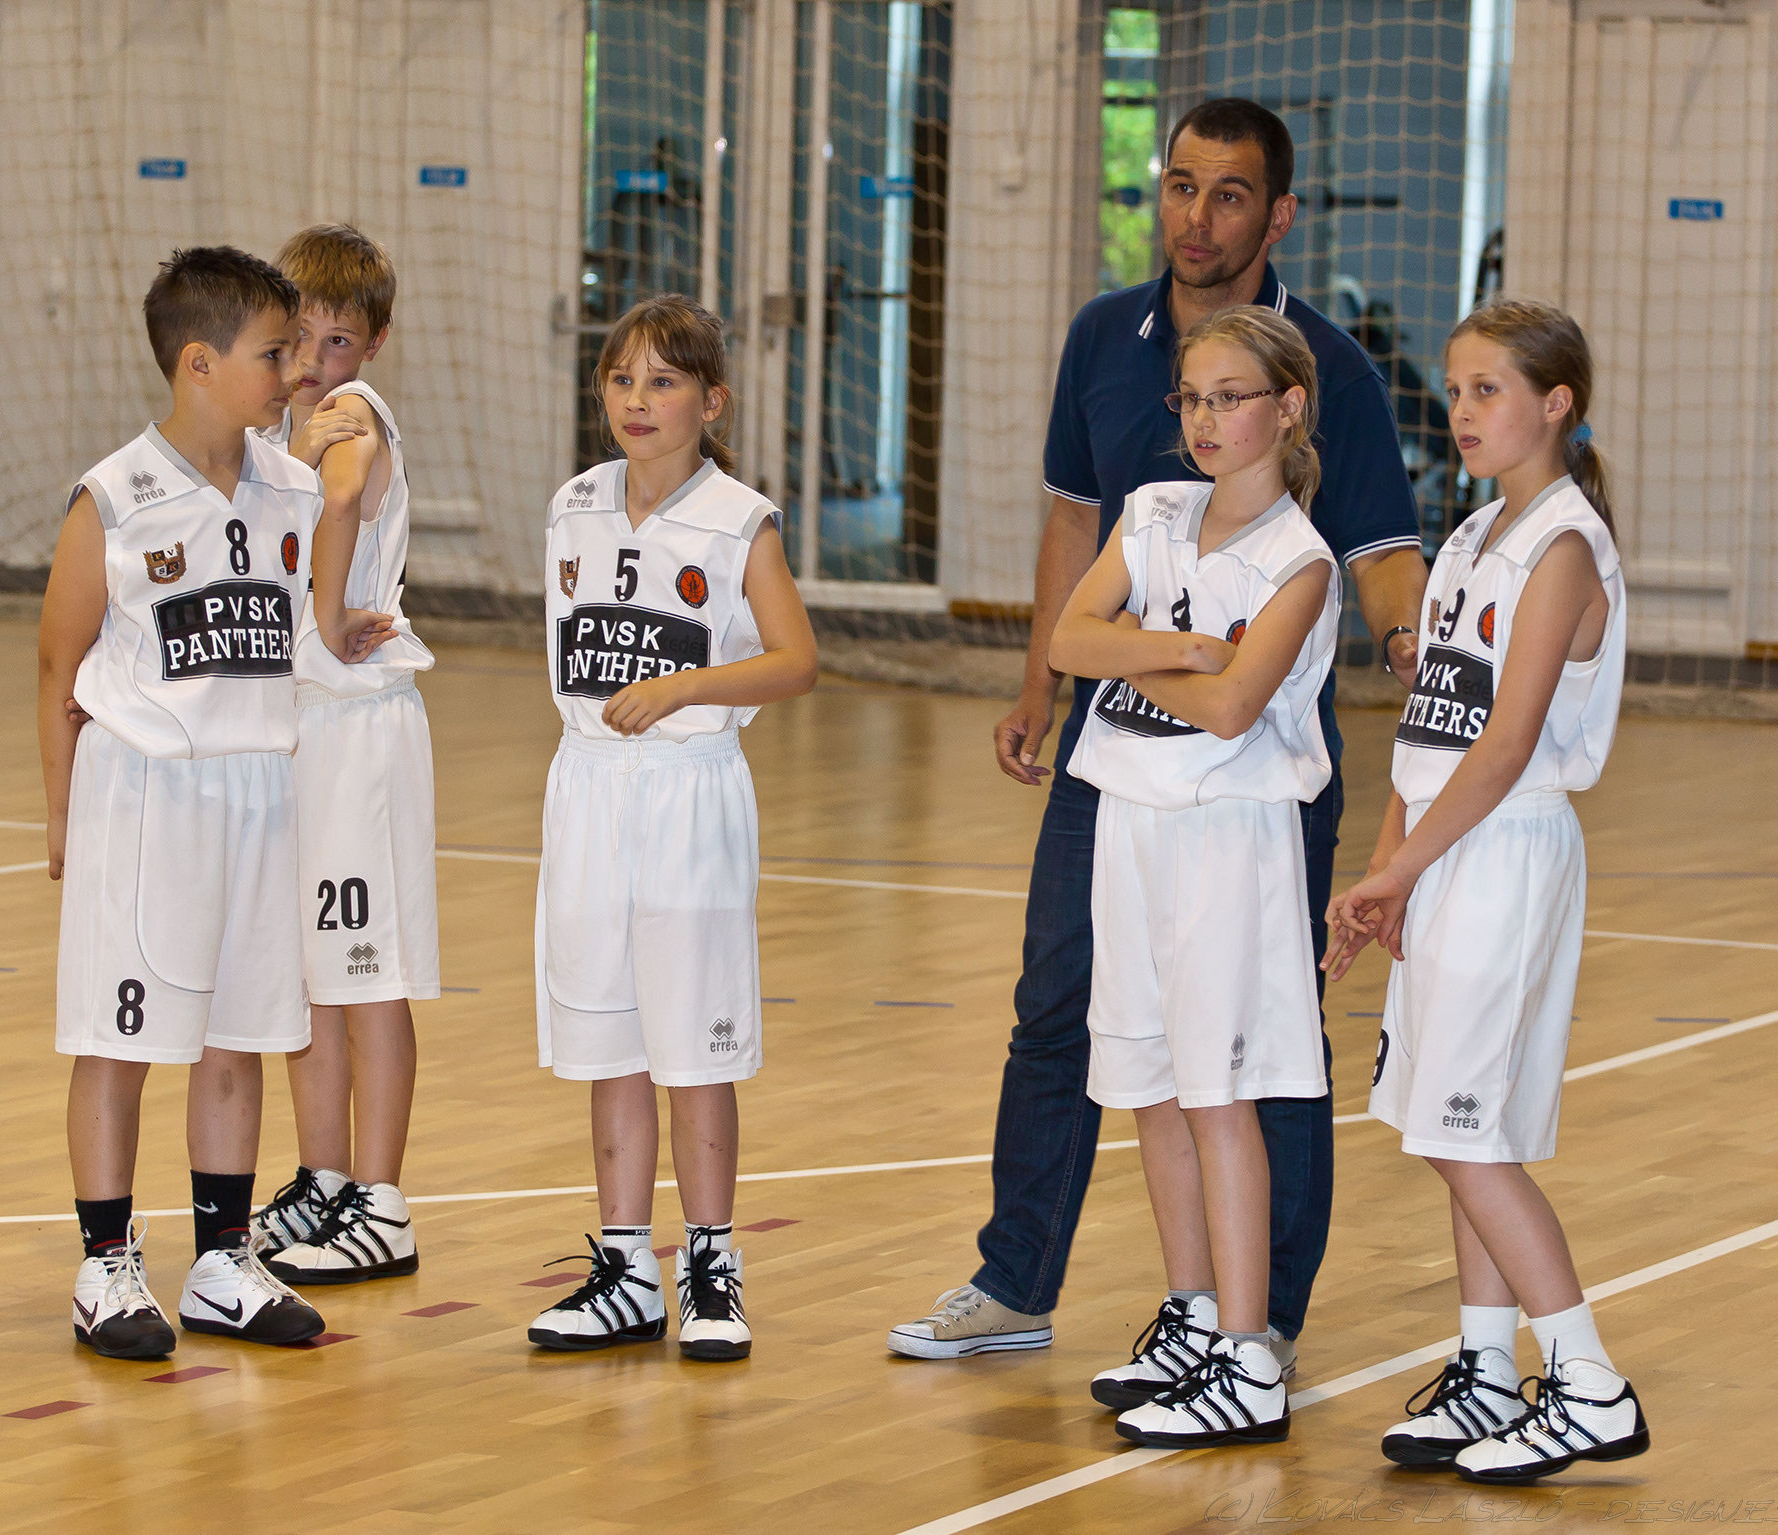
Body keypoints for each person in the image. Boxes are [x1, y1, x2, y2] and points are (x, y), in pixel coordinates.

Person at [888, 97, 1427, 1369]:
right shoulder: (1101, 336)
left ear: (1275, 215)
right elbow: (1074, 526)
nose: (1196, 215)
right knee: (1058, 1006)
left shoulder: (1327, 370)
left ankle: (1257, 1316)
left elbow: (1379, 552)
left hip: (1250, 787)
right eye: (1179, 185)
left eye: (1227, 193)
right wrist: (1041, 686)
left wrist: (1415, 647)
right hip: (1115, 761)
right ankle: (1016, 1281)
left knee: (1258, 1042)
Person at [41, 246, 390, 1357]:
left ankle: (222, 1261)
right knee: (121, 1040)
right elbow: (58, 668)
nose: (295, 372)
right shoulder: (113, 498)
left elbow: (297, 617)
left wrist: (334, 631)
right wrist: (60, 813)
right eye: (273, 354)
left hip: (258, 789)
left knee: (237, 1036)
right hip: (145, 795)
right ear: (199, 363)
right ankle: (106, 1266)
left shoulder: (294, 486)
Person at [1325, 298, 1649, 1483]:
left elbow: (1506, 744)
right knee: (1442, 1123)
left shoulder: (1561, 545)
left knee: (1466, 1137)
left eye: (1486, 390)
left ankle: (1587, 1381)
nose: (1459, 410)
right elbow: (1428, 729)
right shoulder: (1465, 538)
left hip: (1503, 850)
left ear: (1553, 404)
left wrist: (1404, 866)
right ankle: (1481, 1370)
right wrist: (1386, 868)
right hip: (1440, 847)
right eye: (1454, 389)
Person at [1050, 307, 1339, 1448]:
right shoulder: (1154, 511)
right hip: (1132, 820)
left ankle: (1248, 1353)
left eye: (1230, 397)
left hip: (1228, 837)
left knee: (1220, 1096)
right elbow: (1070, 641)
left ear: (1288, 407)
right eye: (1191, 398)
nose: (1205, 420)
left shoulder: (1298, 562)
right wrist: (1177, 645)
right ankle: (1192, 1314)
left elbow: (1232, 709)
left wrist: (1138, 653)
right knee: (1152, 1083)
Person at [525, 295, 817, 1362]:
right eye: (620, 378)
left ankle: (709, 1260)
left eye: (662, 380)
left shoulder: (739, 520)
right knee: (609, 1039)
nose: (637, 400)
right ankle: (622, 1266)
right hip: (587, 789)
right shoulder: (573, 505)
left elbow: (795, 660)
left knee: (692, 1045)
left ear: (711, 401)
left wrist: (685, 684)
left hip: (689, 790)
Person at [246, 225, 442, 1286]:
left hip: (357, 725)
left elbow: (336, 501)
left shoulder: (352, 416)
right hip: (301, 728)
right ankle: (322, 1178)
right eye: (303, 340)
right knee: (309, 977)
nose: (320, 362)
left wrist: (323, 619)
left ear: (373, 344)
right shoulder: (282, 433)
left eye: (340, 340)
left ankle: (382, 1200)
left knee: (368, 977)